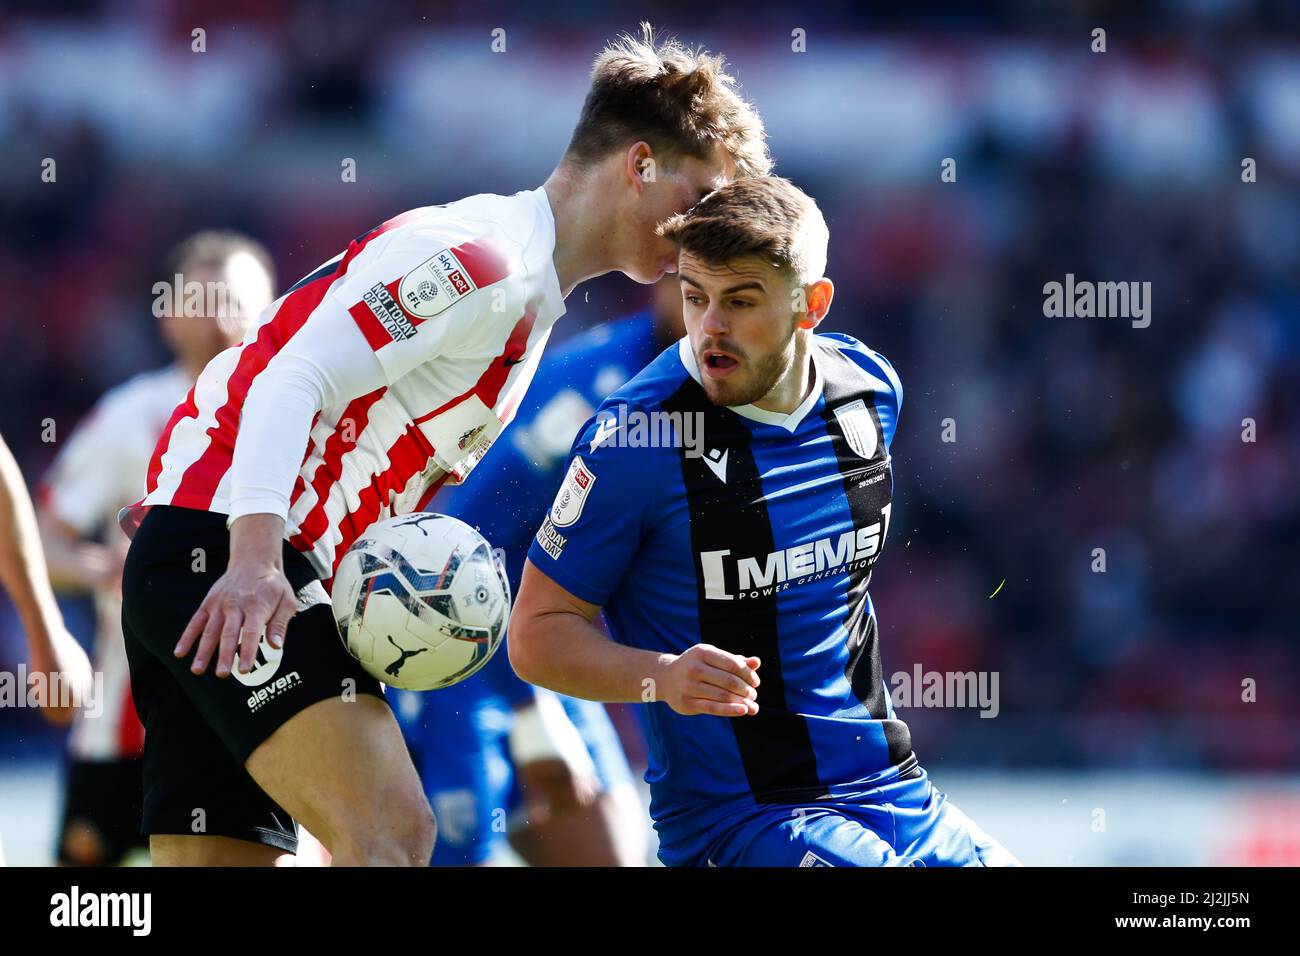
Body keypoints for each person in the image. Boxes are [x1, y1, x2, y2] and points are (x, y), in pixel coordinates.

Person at [119, 25, 771, 866]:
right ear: (640, 164)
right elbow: (293, 376)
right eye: (703, 192)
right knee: (394, 832)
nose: (708, 224)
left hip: (223, 563)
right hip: (240, 562)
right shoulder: (483, 262)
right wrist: (251, 559)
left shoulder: (530, 300)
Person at [510, 177, 1020, 866]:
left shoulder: (868, 395)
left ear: (812, 305)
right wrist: (662, 674)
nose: (709, 328)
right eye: (695, 297)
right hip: (746, 822)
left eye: (741, 301)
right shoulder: (634, 443)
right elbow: (535, 636)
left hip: (894, 792)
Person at [393, 276, 684, 865]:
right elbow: (465, 547)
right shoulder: (595, 393)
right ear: (668, 279)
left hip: (545, 654)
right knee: (456, 853)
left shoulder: (726, 391)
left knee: (613, 856)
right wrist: (530, 717)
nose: (718, 316)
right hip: (458, 655)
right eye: (698, 287)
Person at [35, 232, 274, 865]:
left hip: (256, 711)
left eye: (239, 298)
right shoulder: (127, 417)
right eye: (204, 298)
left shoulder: (295, 408)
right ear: (168, 316)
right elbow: (41, 535)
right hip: (124, 723)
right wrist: (107, 569)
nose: (223, 314)